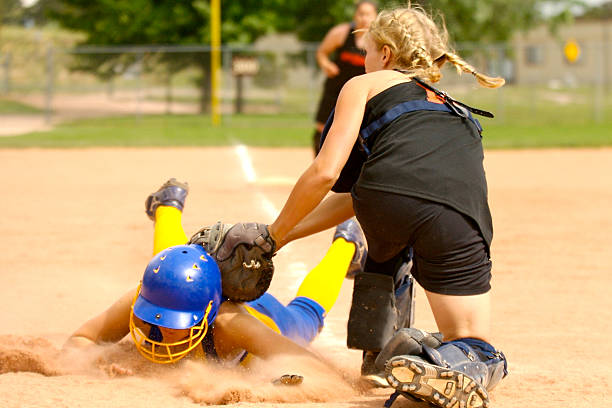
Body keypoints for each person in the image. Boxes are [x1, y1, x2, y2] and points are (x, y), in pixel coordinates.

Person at [226, 5, 509, 408]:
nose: (364, 61)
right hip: (460, 214)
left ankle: (382, 355)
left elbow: (331, 176)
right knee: (473, 342)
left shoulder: (365, 85)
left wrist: (274, 236)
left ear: (386, 55)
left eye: (367, 52)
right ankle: (455, 363)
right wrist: (278, 238)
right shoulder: (452, 107)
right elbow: (363, 193)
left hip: (385, 206)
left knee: (388, 236)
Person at [63, 179, 367, 378]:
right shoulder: (146, 298)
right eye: (160, 319)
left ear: (205, 316)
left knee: (307, 315)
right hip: (196, 285)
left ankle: (346, 242)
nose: (163, 328)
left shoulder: (230, 325)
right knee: (172, 264)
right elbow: (81, 340)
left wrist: (281, 383)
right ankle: (167, 206)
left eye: (176, 322)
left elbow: (312, 369)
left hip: (269, 318)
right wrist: (96, 362)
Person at [312, 0, 377, 155]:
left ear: (375, 17)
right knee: (322, 128)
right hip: (336, 89)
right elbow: (321, 53)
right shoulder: (341, 33)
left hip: (361, 94)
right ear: (355, 15)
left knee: (356, 130)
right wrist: (326, 64)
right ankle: (319, 162)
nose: (364, 18)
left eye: (368, 14)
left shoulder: (377, 40)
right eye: (361, 14)